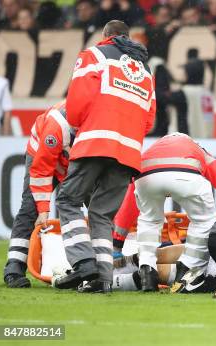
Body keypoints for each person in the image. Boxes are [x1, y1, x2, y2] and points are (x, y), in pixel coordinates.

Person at [53, 20, 156, 294]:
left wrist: (82, 125)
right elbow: (149, 120)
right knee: (102, 215)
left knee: (67, 199)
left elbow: (76, 102)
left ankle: (83, 262)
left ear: (105, 36)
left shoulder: (94, 54)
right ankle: (103, 279)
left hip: (95, 141)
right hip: (128, 152)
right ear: (128, 37)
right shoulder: (146, 70)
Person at [110, 132, 216, 292]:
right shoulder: (200, 152)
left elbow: (129, 205)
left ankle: (147, 271)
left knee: (149, 220)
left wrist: (117, 242)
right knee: (203, 221)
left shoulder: (151, 151)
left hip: (147, 177)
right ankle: (188, 273)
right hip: (186, 176)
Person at [3, 102, 72, 288]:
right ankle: (14, 268)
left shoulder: (97, 122)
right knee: (30, 208)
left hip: (70, 162)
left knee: (95, 209)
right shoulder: (56, 126)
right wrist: (43, 210)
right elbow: (41, 171)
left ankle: (92, 265)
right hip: (42, 155)